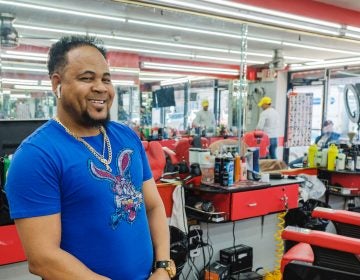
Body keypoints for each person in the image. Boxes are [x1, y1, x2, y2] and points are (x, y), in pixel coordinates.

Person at [5, 36, 173, 280]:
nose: (101, 87)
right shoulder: (36, 156)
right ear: (57, 84)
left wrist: (163, 268)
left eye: (106, 79)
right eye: (87, 78)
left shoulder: (126, 136)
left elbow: (154, 206)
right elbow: (43, 258)